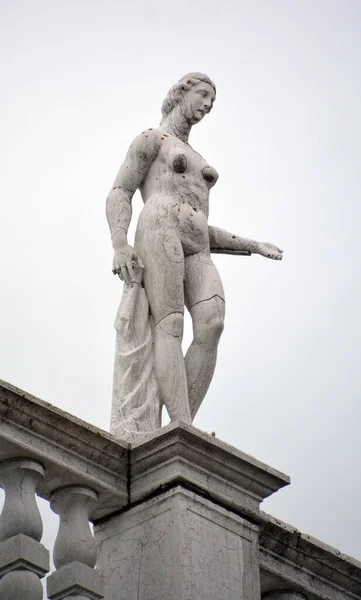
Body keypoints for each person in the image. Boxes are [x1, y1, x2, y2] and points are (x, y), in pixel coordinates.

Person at [106, 73, 283, 429]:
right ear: (180, 93)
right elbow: (120, 191)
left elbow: (201, 224)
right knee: (171, 325)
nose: (207, 106)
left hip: (197, 244)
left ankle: (177, 424)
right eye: (203, 95)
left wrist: (251, 245)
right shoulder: (152, 139)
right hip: (159, 226)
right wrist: (120, 243)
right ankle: (182, 425)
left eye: (212, 102)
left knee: (212, 324)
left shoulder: (199, 156)